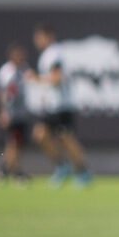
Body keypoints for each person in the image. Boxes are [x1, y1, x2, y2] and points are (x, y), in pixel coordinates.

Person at [29, 23, 93, 188]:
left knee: (67, 139)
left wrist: (37, 79)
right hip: (52, 106)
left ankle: (83, 171)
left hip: (62, 105)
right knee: (40, 134)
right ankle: (62, 167)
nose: (37, 41)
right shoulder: (47, 55)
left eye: (40, 37)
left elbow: (57, 78)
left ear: (49, 37)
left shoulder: (54, 54)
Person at [0, 42, 32, 184]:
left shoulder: (25, 70)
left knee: (18, 143)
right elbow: (1, 94)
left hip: (22, 114)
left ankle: (4, 167)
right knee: (13, 142)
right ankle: (15, 171)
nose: (21, 58)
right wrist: (2, 112)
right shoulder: (6, 72)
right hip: (11, 114)